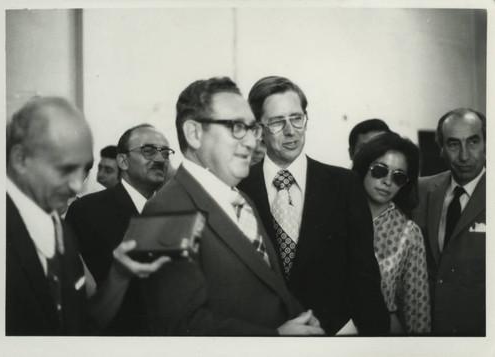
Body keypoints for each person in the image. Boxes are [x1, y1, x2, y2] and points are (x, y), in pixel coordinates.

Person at [141, 77, 325, 336]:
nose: (251, 142)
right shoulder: (165, 210)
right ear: (194, 133)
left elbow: (271, 290)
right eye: (236, 127)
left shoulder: (242, 200)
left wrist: (302, 320)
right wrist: (277, 339)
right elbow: (179, 328)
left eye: (252, 128)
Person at [239, 76, 389, 335]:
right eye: (276, 121)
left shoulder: (344, 184)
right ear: (257, 128)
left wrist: (363, 336)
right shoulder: (240, 187)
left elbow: (365, 275)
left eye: (297, 118)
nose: (290, 130)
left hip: (337, 335)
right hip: (267, 339)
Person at [6, 96, 169, 336]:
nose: (76, 185)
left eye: (84, 169)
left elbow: (86, 323)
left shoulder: (61, 232)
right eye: (64, 168)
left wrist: (120, 273)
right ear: (20, 159)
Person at [66, 124, 173, 335]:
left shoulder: (174, 210)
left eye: (165, 152)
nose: (160, 159)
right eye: (148, 151)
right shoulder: (87, 211)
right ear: (123, 161)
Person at [412, 108, 486, 336]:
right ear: (441, 149)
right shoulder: (421, 190)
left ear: (487, 144)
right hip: (428, 330)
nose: (464, 156)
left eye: (473, 142)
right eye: (454, 144)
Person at [352, 132, 430, 334]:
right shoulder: (336, 215)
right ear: (363, 167)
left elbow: (417, 306)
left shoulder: (408, 233)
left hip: (380, 334)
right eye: (380, 170)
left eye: (398, 176)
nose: (387, 181)